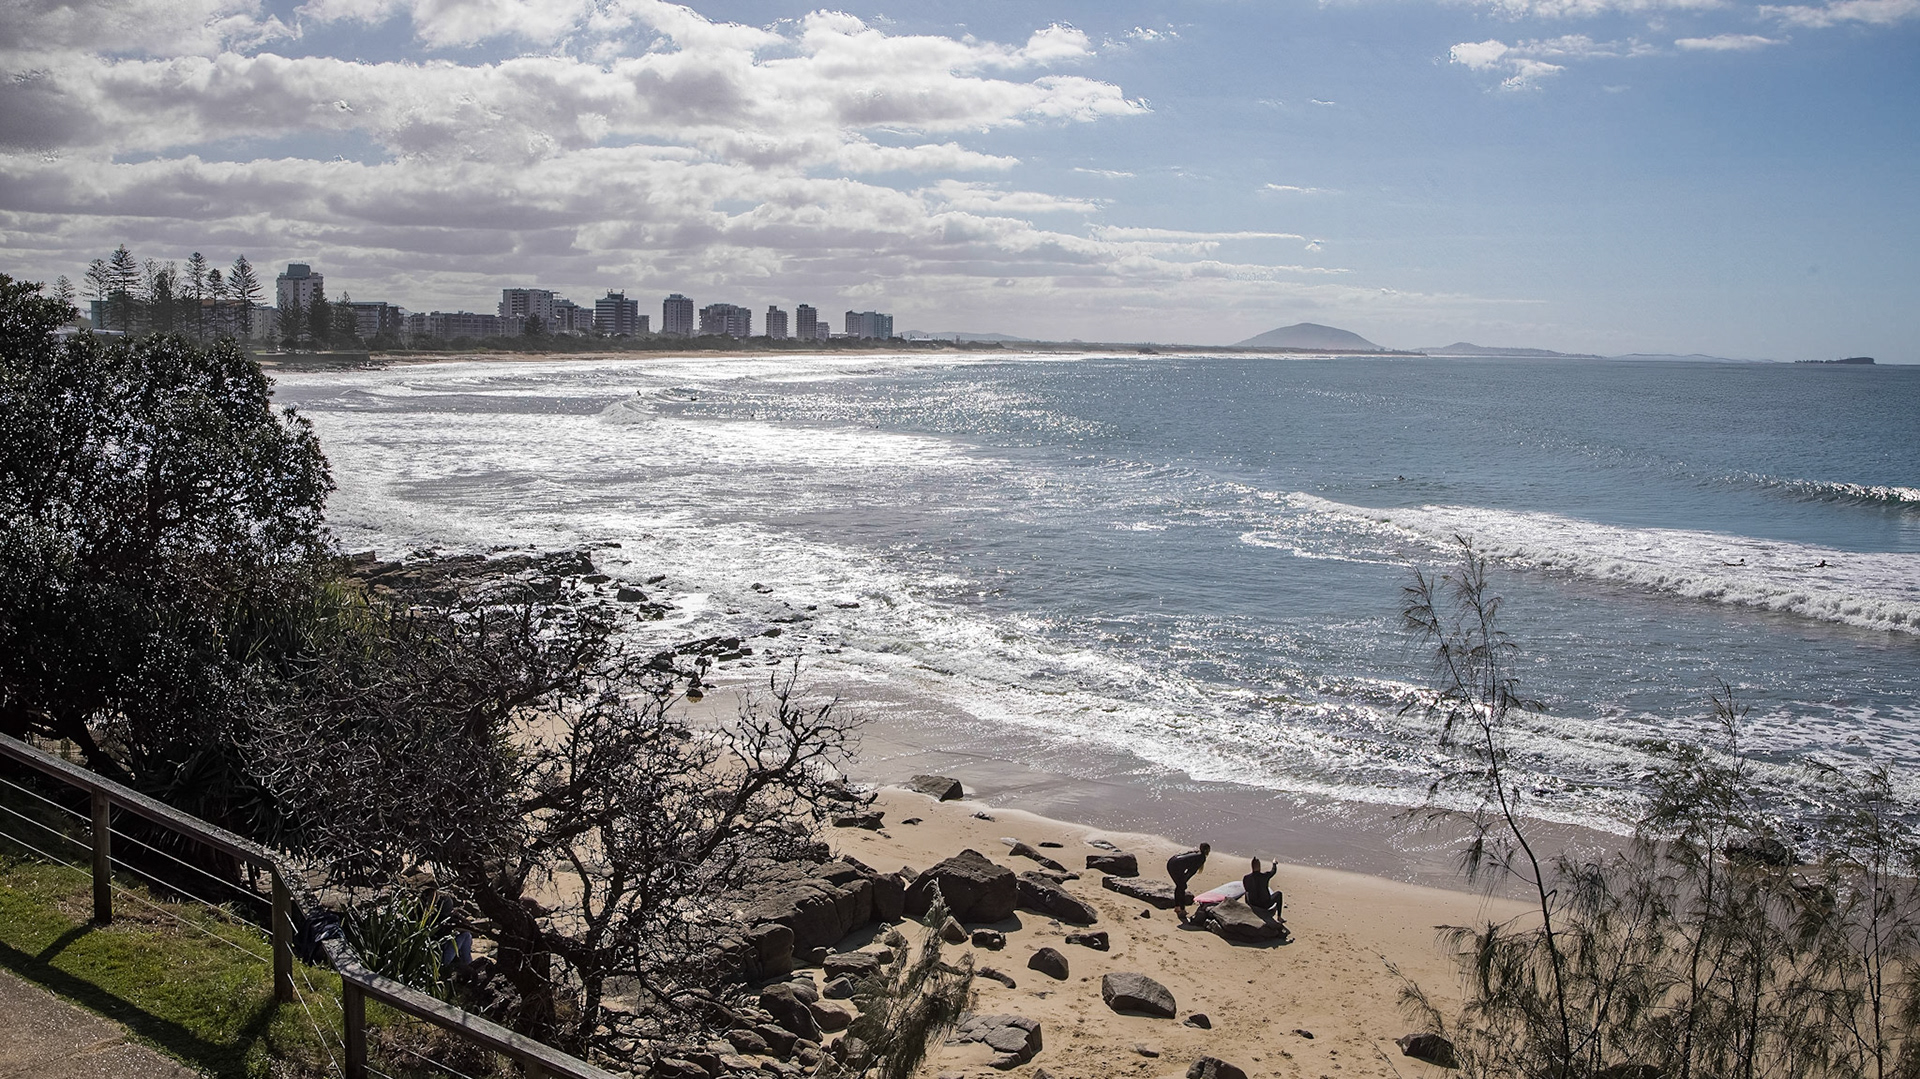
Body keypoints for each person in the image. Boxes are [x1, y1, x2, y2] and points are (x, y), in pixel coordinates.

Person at [1167, 842, 1210, 923]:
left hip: (1171, 861)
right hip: (1176, 866)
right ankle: (1182, 909)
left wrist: (1183, 882)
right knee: (1181, 887)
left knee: (1179, 886)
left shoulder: (1196, 852)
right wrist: (1185, 881)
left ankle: (1177, 907)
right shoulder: (1201, 858)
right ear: (1208, 851)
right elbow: (1191, 871)